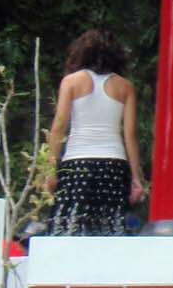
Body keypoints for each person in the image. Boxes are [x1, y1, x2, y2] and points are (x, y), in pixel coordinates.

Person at [45, 30, 147, 236]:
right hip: (113, 165)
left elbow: (59, 126)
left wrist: (49, 169)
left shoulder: (71, 82)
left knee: (69, 225)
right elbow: (130, 135)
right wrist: (137, 178)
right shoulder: (125, 87)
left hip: (77, 163)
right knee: (111, 226)